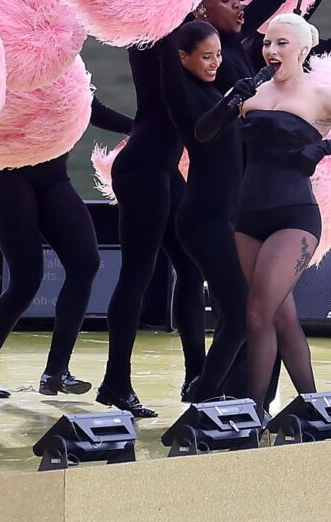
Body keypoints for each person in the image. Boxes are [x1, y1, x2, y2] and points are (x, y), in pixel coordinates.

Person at [197, 13, 331, 413]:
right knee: (280, 318)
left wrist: (324, 148)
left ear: (302, 49)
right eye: (267, 43)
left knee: (256, 312)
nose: (271, 50)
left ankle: (255, 409)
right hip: (247, 216)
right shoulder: (252, 93)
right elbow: (204, 132)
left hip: (295, 217)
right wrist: (231, 99)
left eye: (281, 43)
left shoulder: (322, 96)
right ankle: (314, 405)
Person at [0, 97, 132, 400]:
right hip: (8, 174)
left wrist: (136, 128)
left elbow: (88, 104)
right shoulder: (8, 62)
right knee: (26, 280)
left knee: (85, 263)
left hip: (54, 177)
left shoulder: (63, 64)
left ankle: (56, 371)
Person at [99, 40, 208, 418]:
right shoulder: (160, 40)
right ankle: (116, 381)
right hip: (142, 168)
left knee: (192, 270)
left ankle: (198, 378)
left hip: (164, 168)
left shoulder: (200, 41)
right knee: (136, 275)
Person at [159, 20, 250, 402]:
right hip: (201, 219)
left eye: (217, 56)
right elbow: (203, 130)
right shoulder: (181, 92)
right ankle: (204, 393)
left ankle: (218, 390)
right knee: (240, 314)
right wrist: (232, 101)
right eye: (206, 57)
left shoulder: (212, 87)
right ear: (183, 58)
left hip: (223, 218)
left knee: (238, 314)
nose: (215, 62)